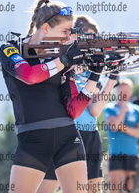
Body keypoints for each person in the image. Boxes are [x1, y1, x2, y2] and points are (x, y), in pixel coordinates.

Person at [0, 0, 103, 193]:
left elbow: (73, 111)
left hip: (68, 137)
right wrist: (64, 59)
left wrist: (94, 76)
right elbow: (29, 76)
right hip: (33, 139)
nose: (67, 38)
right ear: (45, 28)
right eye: (65, 32)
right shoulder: (10, 48)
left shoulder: (60, 59)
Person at [38, 14, 120, 193]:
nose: (90, 43)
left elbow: (94, 111)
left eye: (93, 39)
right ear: (73, 35)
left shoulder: (94, 66)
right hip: (63, 133)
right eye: (86, 38)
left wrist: (112, 76)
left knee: (94, 189)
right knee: (47, 187)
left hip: (90, 134)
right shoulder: (61, 60)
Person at [104, 79, 139, 193]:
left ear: (131, 92)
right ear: (117, 92)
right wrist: (123, 110)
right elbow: (113, 127)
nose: (124, 94)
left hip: (132, 152)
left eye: (127, 91)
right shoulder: (110, 108)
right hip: (116, 153)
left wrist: (123, 128)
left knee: (128, 187)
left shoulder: (137, 110)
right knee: (115, 187)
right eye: (122, 91)